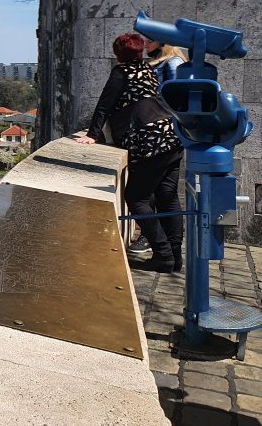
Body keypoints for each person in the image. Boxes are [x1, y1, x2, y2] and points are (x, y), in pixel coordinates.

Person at [74, 33, 184, 272]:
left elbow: (104, 105)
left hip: (149, 140)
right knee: (168, 196)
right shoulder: (147, 69)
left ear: (118, 54)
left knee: (137, 198)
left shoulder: (121, 72)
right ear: (140, 52)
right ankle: (176, 257)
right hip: (172, 133)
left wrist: (92, 135)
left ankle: (164, 255)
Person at [126, 37, 188, 256]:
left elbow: (175, 100)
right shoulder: (166, 62)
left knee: (142, 195)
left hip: (161, 136)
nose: (146, 46)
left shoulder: (172, 64)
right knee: (166, 193)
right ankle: (174, 253)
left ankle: (160, 245)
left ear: (163, 43)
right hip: (170, 135)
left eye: (150, 42)